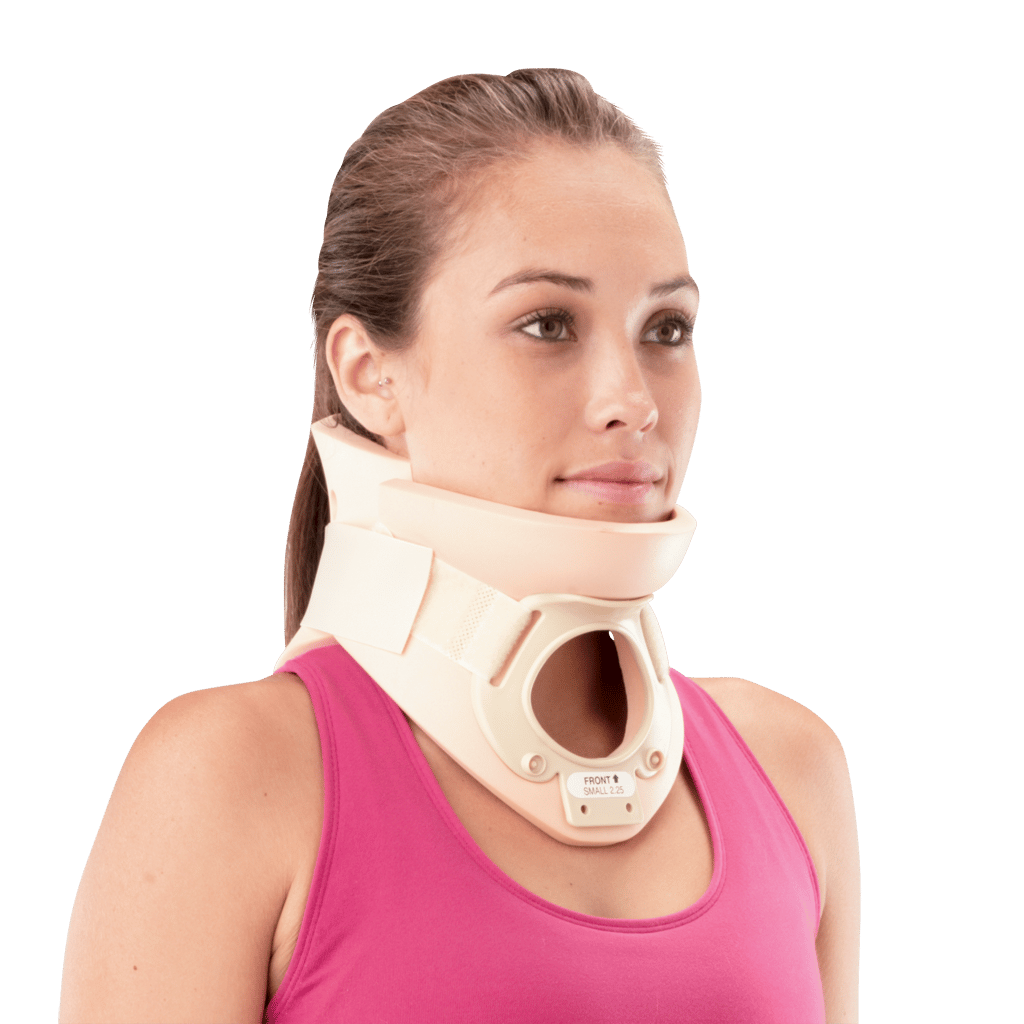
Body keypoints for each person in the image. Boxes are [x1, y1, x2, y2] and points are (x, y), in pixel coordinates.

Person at [59, 69, 860, 1023]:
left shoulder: (792, 768)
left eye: (666, 328)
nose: (633, 401)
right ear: (370, 374)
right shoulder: (230, 778)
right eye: (547, 324)